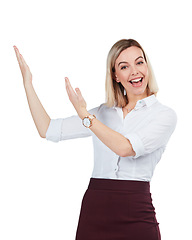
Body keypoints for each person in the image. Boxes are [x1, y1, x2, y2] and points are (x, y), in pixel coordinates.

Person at [13, 39, 177, 240]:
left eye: (139, 62)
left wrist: (86, 116)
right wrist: (27, 84)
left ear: (147, 66)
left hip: (136, 210)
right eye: (124, 66)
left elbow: (125, 148)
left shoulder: (164, 115)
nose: (134, 71)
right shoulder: (102, 113)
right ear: (116, 75)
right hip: (95, 209)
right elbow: (47, 129)